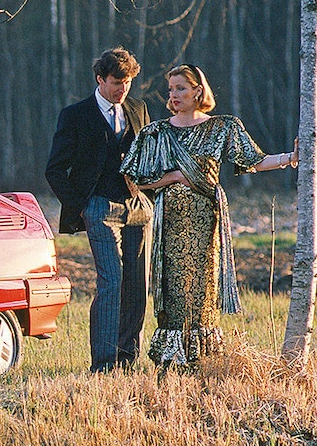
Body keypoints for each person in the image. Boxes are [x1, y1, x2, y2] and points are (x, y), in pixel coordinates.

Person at [120, 64, 298, 369]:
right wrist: (174, 176)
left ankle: (203, 359)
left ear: (198, 91)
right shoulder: (157, 132)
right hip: (170, 222)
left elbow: (254, 159)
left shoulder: (222, 127)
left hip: (206, 220)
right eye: (171, 89)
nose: (173, 95)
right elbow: (134, 177)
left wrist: (290, 158)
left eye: (181, 88)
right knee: (173, 289)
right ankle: (172, 360)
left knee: (203, 288)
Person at [46, 47, 153, 373]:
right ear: (100, 79)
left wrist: (149, 196)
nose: (123, 89)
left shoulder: (138, 109)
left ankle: (128, 361)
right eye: (117, 82)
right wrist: (81, 207)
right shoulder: (75, 114)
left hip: (137, 208)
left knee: (138, 286)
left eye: (128, 82)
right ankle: (104, 365)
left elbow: (148, 159)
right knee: (112, 283)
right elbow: (54, 170)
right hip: (99, 208)